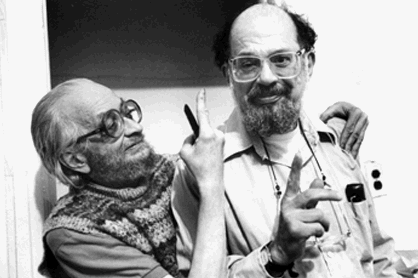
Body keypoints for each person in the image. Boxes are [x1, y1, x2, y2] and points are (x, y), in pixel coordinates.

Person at [172, 2, 400, 278]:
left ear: (308, 64)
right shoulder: (199, 170)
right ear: (229, 75)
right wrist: (275, 255)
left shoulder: (338, 142)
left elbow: (379, 258)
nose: (266, 77)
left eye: (281, 59)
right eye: (247, 64)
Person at [32, 78, 226, 278]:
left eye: (127, 112)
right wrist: (211, 185)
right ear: (76, 159)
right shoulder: (74, 232)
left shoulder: (179, 168)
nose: (136, 128)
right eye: (111, 125)